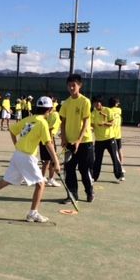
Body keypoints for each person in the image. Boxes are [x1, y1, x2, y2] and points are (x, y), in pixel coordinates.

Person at [0, 96, 60, 223]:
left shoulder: (28, 119)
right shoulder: (43, 123)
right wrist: (56, 161)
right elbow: (48, 143)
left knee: (5, 181)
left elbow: (12, 131)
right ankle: (33, 213)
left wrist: (17, 145)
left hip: (18, 155)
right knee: (41, 184)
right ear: (50, 109)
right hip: (26, 157)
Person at [59, 74, 95, 202]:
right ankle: (72, 195)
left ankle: (89, 192)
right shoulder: (66, 103)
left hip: (85, 142)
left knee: (84, 170)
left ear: (80, 85)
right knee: (69, 170)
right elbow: (63, 122)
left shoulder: (85, 101)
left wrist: (79, 140)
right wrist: (63, 138)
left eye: (73, 85)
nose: (71, 88)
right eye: (69, 85)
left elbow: (86, 122)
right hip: (69, 142)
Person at [92, 96, 124, 182]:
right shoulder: (93, 113)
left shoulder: (108, 110)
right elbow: (92, 125)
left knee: (115, 157)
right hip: (99, 140)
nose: (97, 104)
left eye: (99, 102)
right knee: (97, 160)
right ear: (93, 104)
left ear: (101, 102)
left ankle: (119, 175)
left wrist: (104, 123)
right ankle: (94, 177)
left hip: (110, 139)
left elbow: (112, 123)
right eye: (95, 102)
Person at [41, 101, 61, 187]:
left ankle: (42, 178)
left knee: (46, 161)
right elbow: (51, 129)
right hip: (49, 139)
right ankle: (51, 179)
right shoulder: (56, 115)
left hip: (43, 139)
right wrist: (51, 143)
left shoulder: (48, 114)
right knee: (52, 160)